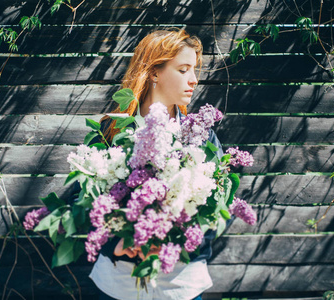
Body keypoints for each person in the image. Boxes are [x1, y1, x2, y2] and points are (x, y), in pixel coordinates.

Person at [81, 29, 227, 300]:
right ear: (154, 72)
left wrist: (170, 240)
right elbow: (87, 202)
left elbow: (218, 210)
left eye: (194, 70)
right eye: (184, 70)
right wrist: (119, 242)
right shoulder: (111, 130)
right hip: (119, 280)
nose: (194, 80)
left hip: (180, 284)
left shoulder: (202, 136)